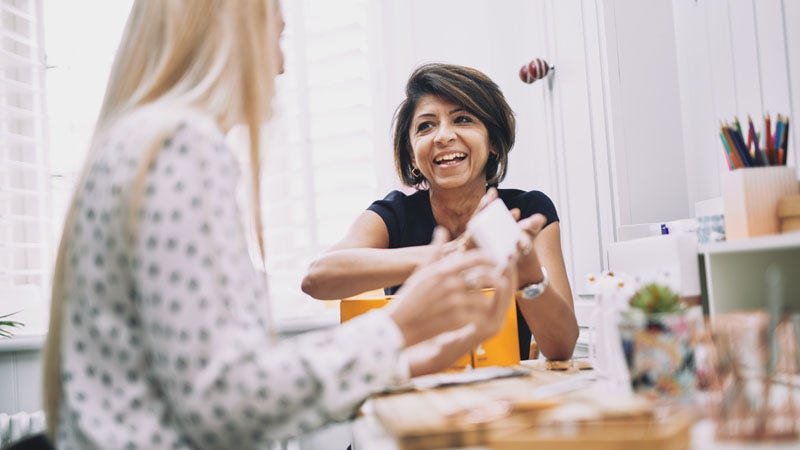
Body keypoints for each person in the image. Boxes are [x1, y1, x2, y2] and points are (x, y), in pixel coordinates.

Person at [41, 2, 520, 449]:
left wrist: (426, 354)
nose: (281, 64)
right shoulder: (181, 147)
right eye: (277, 38)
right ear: (233, 35)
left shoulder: (143, 141)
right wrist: (398, 323)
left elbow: (208, 387)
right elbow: (223, 401)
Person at [302, 63, 579, 361]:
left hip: (506, 392)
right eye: (426, 126)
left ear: (494, 143)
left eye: (462, 119)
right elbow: (317, 278)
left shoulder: (528, 212)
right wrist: (450, 254)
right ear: (412, 155)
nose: (443, 136)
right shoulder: (393, 214)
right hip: (419, 391)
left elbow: (561, 347)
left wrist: (528, 274)